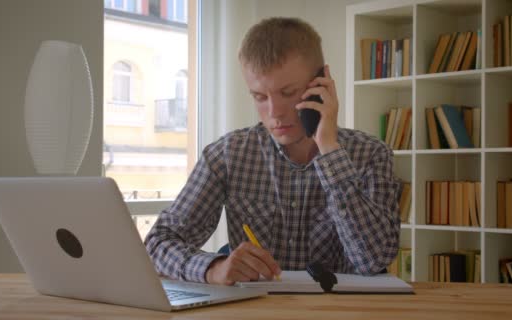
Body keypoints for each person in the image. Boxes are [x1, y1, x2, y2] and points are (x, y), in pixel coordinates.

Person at [144, 17, 401, 286]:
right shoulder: (227, 155)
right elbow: (158, 243)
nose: (275, 113)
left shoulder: (371, 154)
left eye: (288, 92)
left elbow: (374, 260)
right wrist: (212, 268)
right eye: (259, 97)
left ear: (321, 83)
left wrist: (329, 149)